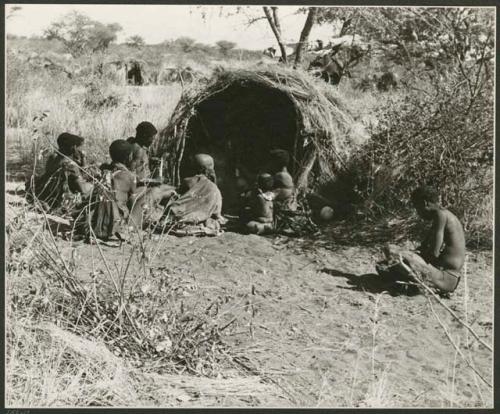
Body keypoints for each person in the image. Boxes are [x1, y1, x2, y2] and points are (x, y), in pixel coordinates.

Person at [380, 186, 466, 294]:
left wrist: (411, 257)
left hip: (445, 277)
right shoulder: (444, 215)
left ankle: (416, 286)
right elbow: (426, 247)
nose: (418, 213)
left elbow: (434, 253)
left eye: (417, 208)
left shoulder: (441, 215)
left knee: (391, 251)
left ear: (425, 203)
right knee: (388, 264)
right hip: (448, 278)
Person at [26, 132, 93, 211]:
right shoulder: (70, 165)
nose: (79, 149)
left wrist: (83, 163)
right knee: (93, 189)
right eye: (78, 147)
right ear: (73, 147)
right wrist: (92, 185)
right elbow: (82, 189)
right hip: (60, 201)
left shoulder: (53, 157)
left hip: (47, 196)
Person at [165, 153, 225, 235]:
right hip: (192, 219)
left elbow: (177, 196)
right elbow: (216, 212)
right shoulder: (212, 187)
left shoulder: (186, 181)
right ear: (206, 170)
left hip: (172, 215)